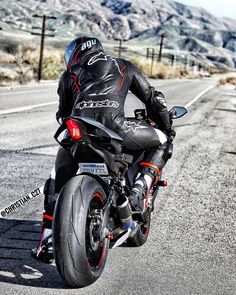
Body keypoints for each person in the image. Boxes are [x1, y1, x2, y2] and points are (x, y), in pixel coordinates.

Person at [32, 36, 175, 263]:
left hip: (78, 131)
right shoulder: (122, 65)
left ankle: (48, 238)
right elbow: (153, 99)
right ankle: (139, 189)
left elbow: (63, 113)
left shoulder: (68, 75)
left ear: (76, 54)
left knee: (56, 178)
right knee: (163, 140)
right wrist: (167, 126)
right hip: (117, 127)